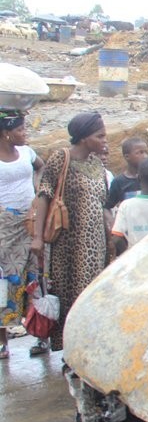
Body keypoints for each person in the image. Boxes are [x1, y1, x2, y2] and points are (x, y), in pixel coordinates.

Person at [30, 112, 112, 355]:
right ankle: (71, 348)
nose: (104, 140)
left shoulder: (97, 163)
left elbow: (103, 204)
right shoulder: (61, 158)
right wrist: (36, 237)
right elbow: (44, 196)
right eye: (100, 136)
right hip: (68, 245)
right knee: (69, 295)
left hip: (96, 244)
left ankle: (88, 346)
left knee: (92, 295)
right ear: (84, 137)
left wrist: (111, 235)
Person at [0, 109, 44, 359]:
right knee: (5, 280)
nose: (24, 133)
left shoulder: (27, 153)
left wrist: (37, 191)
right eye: (19, 130)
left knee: (36, 275)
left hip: (30, 222)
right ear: (6, 133)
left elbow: (41, 168)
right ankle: (3, 341)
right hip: (4, 226)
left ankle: (41, 335)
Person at [105, 137, 148, 209]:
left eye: (146, 152)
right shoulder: (119, 182)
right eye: (140, 152)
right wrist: (111, 219)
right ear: (127, 157)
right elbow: (107, 207)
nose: (145, 156)